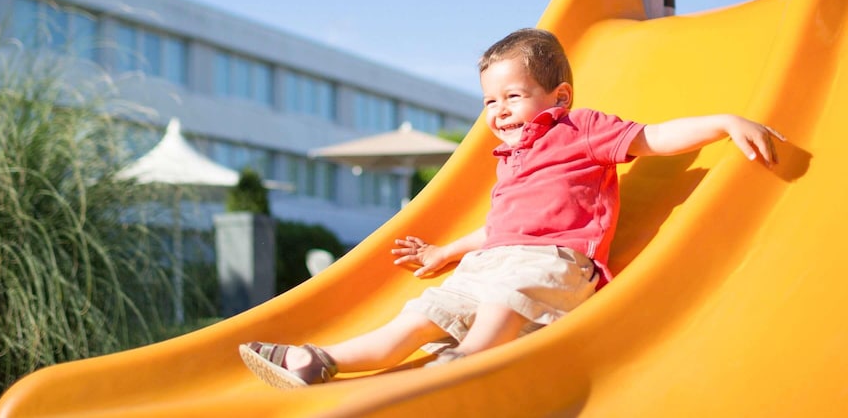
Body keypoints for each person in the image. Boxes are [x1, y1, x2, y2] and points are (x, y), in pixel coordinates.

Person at [239, 28, 784, 389]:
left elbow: (655, 138)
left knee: (501, 307)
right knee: (417, 317)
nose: (498, 111)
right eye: (489, 101)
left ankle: (462, 369)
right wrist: (445, 252)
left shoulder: (581, 129)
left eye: (513, 96)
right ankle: (320, 359)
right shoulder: (509, 160)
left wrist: (723, 123)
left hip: (552, 262)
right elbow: (499, 229)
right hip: (490, 261)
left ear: (558, 98)